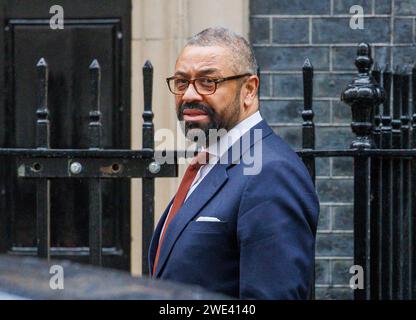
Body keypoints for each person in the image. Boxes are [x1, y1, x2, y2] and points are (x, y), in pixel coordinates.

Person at [148, 27, 319, 299]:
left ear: (249, 90)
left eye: (208, 82)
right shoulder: (208, 162)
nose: (189, 95)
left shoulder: (271, 172)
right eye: (181, 82)